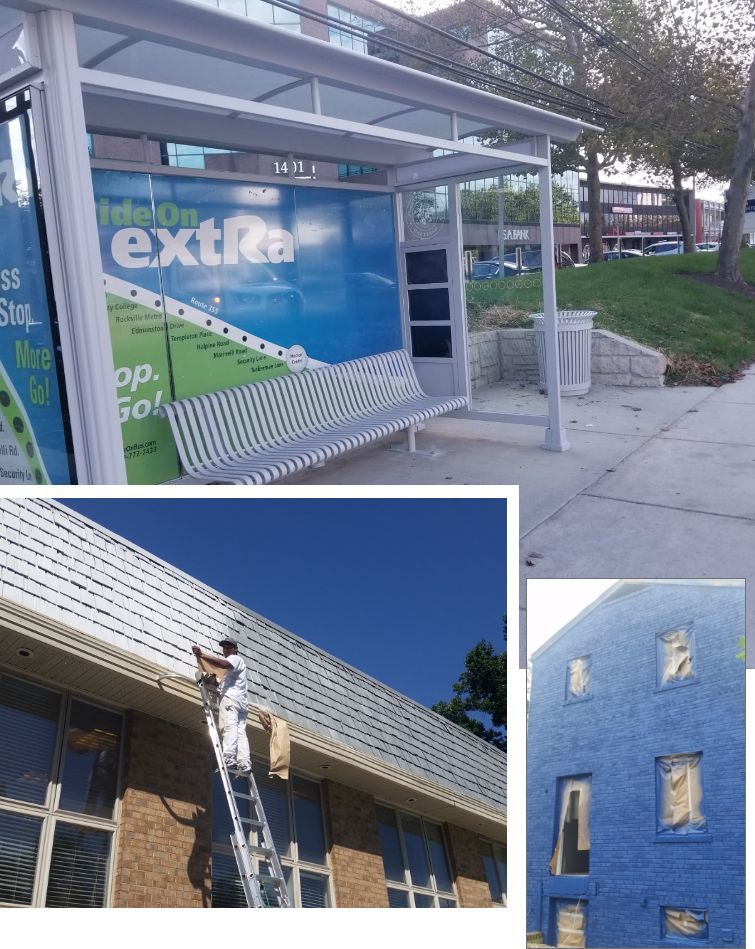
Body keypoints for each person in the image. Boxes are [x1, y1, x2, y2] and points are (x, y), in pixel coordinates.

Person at [192, 638, 251, 775]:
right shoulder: (232, 672)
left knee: (229, 727)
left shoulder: (234, 659)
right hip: (241, 703)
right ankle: (244, 763)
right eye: (224, 648)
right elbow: (224, 681)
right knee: (240, 733)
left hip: (231, 700)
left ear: (235, 649)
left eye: (229, 647)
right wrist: (214, 683)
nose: (226, 650)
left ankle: (229, 759)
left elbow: (224, 664)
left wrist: (202, 655)